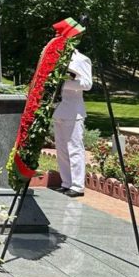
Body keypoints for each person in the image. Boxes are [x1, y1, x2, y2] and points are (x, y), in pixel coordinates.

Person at [53, 47, 94, 197]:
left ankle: (77, 186)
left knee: (75, 148)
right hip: (58, 109)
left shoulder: (82, 59)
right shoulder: (56, 57)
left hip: (73, 111)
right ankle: (66, 182)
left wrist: (63, 83)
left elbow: (87, 84)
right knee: (61, 149)